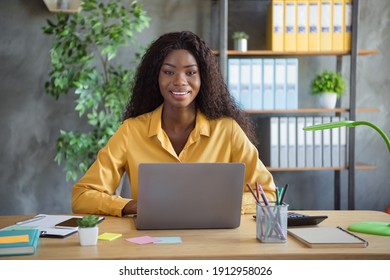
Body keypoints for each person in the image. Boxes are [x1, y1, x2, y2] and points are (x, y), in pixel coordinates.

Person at [72, 31, 276, 217]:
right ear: (155, 77)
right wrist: (133, 206)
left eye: (190, 72)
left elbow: (267, 195)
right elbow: (82, 196)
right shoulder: (131, 131)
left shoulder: (227, 130)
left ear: (203, 77)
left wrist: (217, 205)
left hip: (211, 243)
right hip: (152, 243)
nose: (179, 81)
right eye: (169, 72)